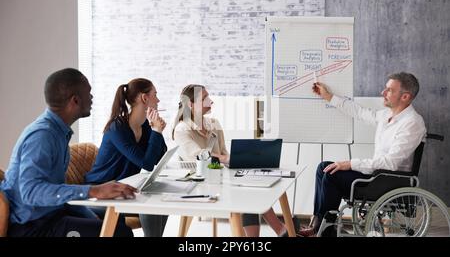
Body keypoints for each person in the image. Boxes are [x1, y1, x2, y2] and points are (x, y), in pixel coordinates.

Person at [0, 68, 136, 237]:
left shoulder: (57, 132)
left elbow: (57, 191)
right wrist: (93, 191)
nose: (92, 98)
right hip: (31, 227)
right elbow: (31, 192)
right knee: (119, 233)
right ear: (75, 100)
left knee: (115, 220)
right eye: (89, 93)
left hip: (51, 213)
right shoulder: (42, 136)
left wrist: (92, 217)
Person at [298, 72, 427, 237]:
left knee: (332, 174)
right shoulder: (387, 115)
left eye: (389, 90)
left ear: (405, 96)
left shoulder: (412, 123)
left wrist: (350, 163)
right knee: (323, 167)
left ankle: (325, 229)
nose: (383, 92)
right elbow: (360, 112)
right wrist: (329, 96)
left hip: (388, 181)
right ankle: (319, 224)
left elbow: (391, 163)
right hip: (377, 176)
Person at [172, 84, 288, 237]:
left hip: (220, 177)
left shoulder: (213, 123)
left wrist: (239, 161)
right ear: (190, 104)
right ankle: (280, 229)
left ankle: (275, 232)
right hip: (199, 183)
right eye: (204, 98)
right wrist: (227, 159)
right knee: (245, 189)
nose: (210, 100)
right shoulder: (182, 129)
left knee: (249, 183)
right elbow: (198, 156)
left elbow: (223, 153)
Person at [84, 78, 168, 237]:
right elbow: (147, 164)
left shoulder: (144, 126)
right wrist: (156, 132)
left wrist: (156, 130)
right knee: (151, 208)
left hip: (123, 187)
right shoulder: (117, 128)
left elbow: (159, 157)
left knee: (161, 203)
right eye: (155, 95)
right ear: (144, 98)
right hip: (101, 189)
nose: (158, 100)